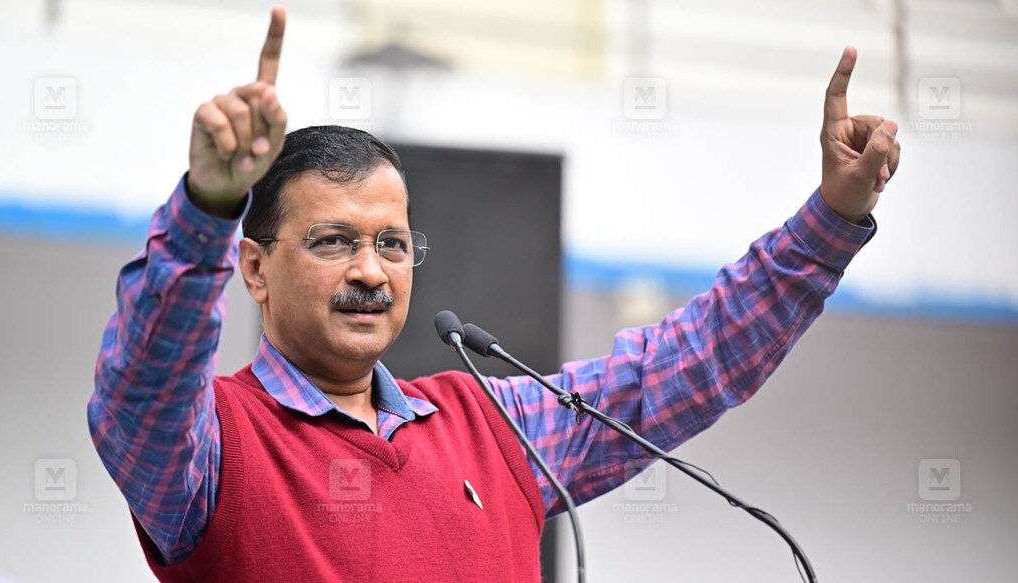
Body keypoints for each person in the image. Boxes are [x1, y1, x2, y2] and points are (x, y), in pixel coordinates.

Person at [87, 6, 900, 582]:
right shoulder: (212, 446)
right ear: (256, 270)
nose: (371, 270)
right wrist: (205, 209)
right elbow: (143, 389)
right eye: (334, 241)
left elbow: (677, 369)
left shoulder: (491, 424)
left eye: (393, 244)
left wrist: (829, 222)